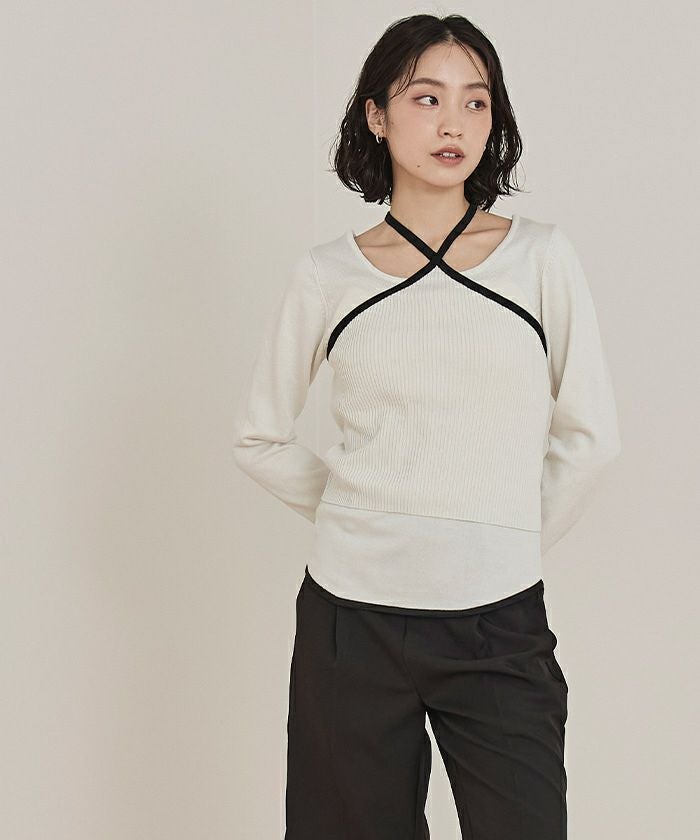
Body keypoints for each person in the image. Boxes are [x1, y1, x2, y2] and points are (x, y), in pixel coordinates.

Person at [232, 13, 621, 840]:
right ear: (377, 115)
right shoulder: (327, 275)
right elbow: (259, 436)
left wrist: (498, 535)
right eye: (427, 98)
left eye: (476, 102)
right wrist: (368, 513)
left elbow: (591, 437)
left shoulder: (541, 259)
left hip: (498, 622)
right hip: (350, 624)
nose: (455, 124)